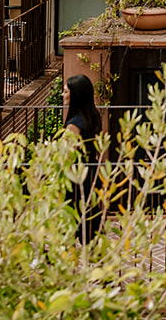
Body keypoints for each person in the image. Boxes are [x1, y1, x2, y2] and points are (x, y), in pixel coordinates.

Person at [64, 74, 104, 243]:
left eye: (66, 91)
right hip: (91, 172)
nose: (63, 95)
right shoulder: (93, 116)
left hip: (75, 176)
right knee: (89, 218)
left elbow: (66, 155)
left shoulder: (74, 124)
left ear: (75, 95)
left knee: (70, 218)